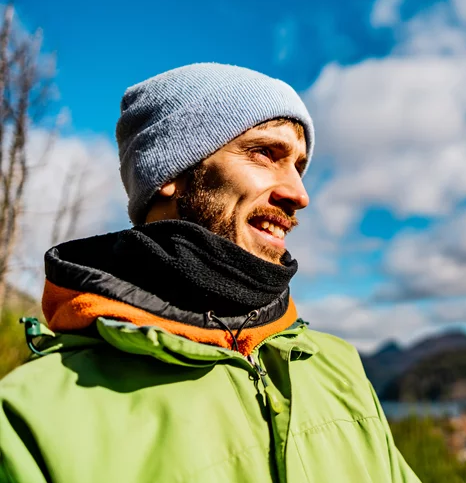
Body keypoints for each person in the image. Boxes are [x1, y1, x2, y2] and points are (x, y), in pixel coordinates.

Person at [0, 63, 420, 483]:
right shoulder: (28, 421)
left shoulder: (338, 366)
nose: (299, 194)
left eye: (298, 165)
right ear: (169, 171)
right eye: (264, 153)